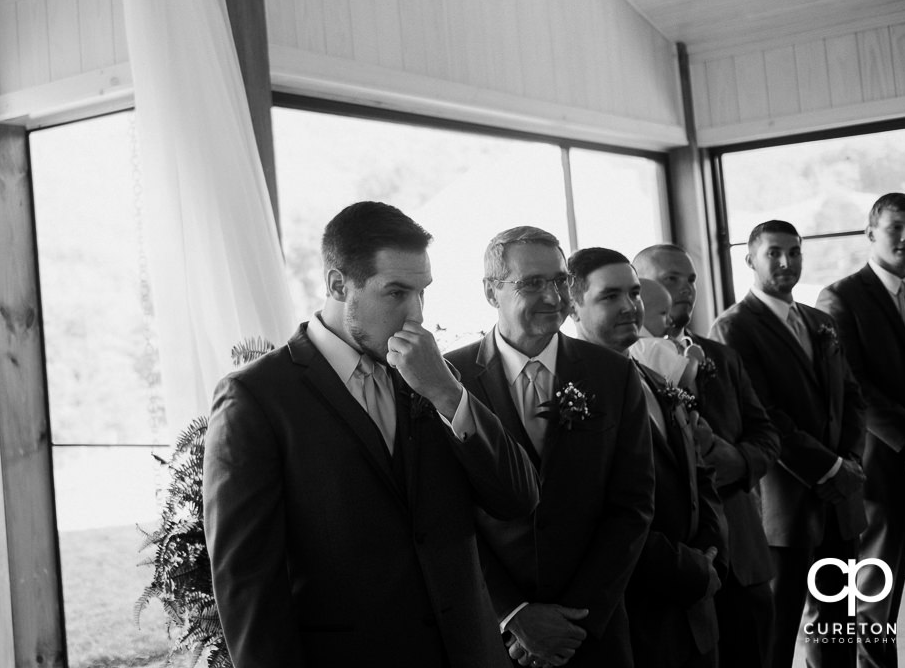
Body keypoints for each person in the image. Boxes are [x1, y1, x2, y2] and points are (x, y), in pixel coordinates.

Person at [203, 201, 540, 668]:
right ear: (338, 284)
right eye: (396, 292)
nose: (416, 315)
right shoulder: (256, 398)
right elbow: (247, 584)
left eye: (422, 292)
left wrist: (447, 393)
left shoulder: (434, 374)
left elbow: (518, 499)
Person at [444, 226, 654, 668]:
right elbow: (447, 514)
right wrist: (514, 613)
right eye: (532, 283)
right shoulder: (449, 380)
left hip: (593, 632)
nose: (553, 297)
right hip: (498, 637)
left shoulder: (612, 374)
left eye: (559, 281)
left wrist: (576, 618)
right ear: (490, 291)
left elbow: (632, 505)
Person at [710, 220, 866, 668]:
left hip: (841, 503)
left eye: (794, 252)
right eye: (773, 253)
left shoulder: (819, 320)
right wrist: (830, 469)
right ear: (750, 260)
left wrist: (851, 461)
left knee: (839, 628)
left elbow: (853, 397)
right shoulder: (734, 329)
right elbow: (765, 415)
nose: (786, 262)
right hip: (786, 506)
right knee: (777, 635)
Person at [568, 247, 725, 668]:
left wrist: (711, 546)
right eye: (610, 296)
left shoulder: (652, 375)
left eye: (634, 293)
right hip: (636, 611)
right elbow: (596, 511)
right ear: (573, 306)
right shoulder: (572, 392)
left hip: (696, 605)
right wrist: (688, 570)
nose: (629, 307)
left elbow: (698, 469)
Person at [634, 243, 780, 668]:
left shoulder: (719, 355)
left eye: (691, 279)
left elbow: (766, 431)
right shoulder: (623, 364)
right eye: (669, 279)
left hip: (743, 541)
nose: (684, 289)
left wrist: (737, 459)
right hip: (679, 557)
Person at [816, 193, 905, 668]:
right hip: (886, 468)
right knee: (877, 601)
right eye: (896, 227)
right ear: (870, 233)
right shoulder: (841, 297)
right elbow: (853, 382)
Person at [629, 278, 700, 390]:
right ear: (641, 314)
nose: (670, 320)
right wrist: (693, 358)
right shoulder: (654, 346)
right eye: (663, 313)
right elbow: (684, 376)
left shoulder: (634, 347)